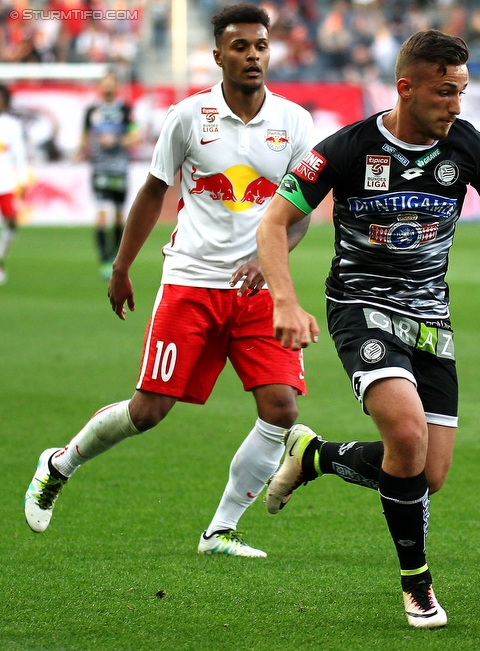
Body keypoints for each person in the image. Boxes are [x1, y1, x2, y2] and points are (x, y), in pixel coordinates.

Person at [256, 30, 480, 628]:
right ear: (406, 87)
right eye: (445, 92)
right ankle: (417, 587)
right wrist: (284, 303)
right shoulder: (345, 149)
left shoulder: (471, 149)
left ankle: (313, 455)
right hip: (360, 308)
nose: (456, 105)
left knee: (427, 474)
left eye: (462, 91)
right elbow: (274, 222)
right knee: (408, 437)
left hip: (431, 322)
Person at [24, 3, 315, 558]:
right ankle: (59, 463)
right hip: (190, 283)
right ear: (217, 55)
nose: (252, 56)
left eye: (260, 46)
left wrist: (268, 259)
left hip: (256, 292)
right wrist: (122, 266)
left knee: (281, 410)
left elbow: (298, 213)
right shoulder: (188, 117)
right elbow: (154, 192)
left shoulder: (294, 122)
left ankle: (220, 531)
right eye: (240, 47)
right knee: (148, 411)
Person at [77, 71, 141, 280]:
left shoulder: (125, 110)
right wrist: (81, 151)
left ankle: (118, 257)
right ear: (99, 87)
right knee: (103, 212)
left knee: (119, 215)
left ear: (116, 86)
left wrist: (116, 142)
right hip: (100, 168)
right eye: (104, 84)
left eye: (111, 84)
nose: (108, 88)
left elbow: (136, 135)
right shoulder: (92, 111)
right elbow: (84, 137)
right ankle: (105, 259)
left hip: (120, 169)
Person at [0, 84, 29, 285]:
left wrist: (24, 179)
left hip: (6, 181)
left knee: (11, 221)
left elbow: (19, 153)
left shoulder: (12, 125)